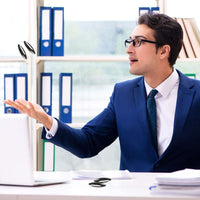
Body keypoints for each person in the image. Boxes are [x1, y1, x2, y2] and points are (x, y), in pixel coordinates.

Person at [4, 13, 200, 172]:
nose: (129, 50)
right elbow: (87, 143)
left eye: (138, 42)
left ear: (164, 51)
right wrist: (47, 121)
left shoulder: (197, 93)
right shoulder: (122, 94)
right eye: (129, 42)